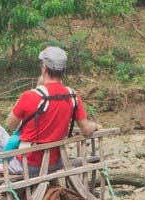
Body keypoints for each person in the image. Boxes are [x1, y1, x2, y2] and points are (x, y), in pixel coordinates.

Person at [6, 46, 100, 176]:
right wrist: (94, 125)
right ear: (64, 70)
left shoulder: (30, 96)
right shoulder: (72, 95)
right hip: (56, 162)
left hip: (29, 164)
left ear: (43, 68)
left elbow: (10, 124)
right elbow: (86, 129)